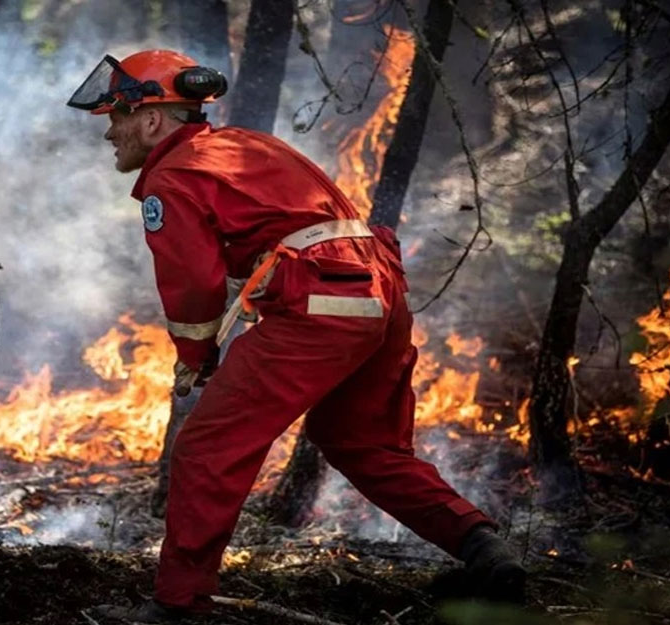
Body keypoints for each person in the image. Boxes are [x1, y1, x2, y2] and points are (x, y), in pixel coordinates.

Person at [67, 50, 525, 622]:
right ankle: (483, 547)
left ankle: (178, 607)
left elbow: (192, 284)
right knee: (363, 445)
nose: (110, 132)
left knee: (208, 448)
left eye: (116, 116)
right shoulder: (246, 146)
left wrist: (196, 355)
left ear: (153, 118)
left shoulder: (173, 175)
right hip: (379, 294)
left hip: (320, 301)